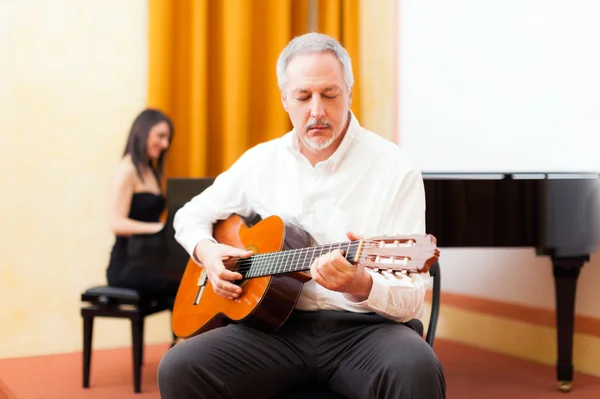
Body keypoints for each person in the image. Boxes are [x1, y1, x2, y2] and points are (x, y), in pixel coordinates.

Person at [158, 33, 446, 398]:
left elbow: (411, 298)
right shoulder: (261, 161)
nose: (317, 111)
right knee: (180, 366)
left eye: (330, 94)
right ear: (284, 99)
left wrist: (361, 284)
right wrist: (208, 252)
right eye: (303, 97)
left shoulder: (395, 168)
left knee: (415, 367)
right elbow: (190, 214)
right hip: (274, 331)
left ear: (350, 94)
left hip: (367, 332)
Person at [106, 108, 180, 313]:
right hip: (126, 265)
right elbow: (117, 224)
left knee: (190, 281)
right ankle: (184, 344)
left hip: (147, 260)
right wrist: (160, 228)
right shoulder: (127, 170)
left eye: (168, 138)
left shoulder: (151, 171)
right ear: (143, 131)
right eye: (161, 136)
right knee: (183, 287)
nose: (165, 144)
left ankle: (182, 343)